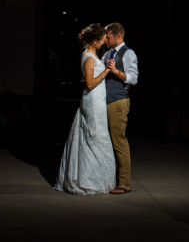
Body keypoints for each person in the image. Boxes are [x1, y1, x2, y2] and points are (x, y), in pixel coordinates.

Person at [54, 24, 116, 194]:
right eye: (102, 38)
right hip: (93, 101)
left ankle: (97, 178)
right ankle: (88, 180)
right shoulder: (88, 56)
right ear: (95, 40)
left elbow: (84, 80)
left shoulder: (92, 54)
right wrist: (106, 72)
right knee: (93, 136)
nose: (104, 41)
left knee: (97, 135)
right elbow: (89, 84)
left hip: (98, 100)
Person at [102, 22, 138, 195]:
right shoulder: (108, 53)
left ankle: (124, 183)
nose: (106, 40)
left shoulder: (128, 53)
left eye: (108, 37)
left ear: (118, 36)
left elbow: (133, 78)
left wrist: (115, 71)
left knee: (119, 141)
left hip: (119, 102)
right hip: (105, 101)